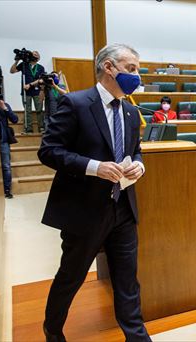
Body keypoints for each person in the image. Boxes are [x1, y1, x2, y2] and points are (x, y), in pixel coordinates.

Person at [37, 43, 150, 342]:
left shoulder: (129, 110)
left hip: (123, 208)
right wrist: (94, 167)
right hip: (84, 210)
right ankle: (53, 330)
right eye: (131, 68)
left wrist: (138, 165)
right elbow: (48, 151)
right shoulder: (75, 103)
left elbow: (134, 151)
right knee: (70, 278)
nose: (137, 76)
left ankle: (137, 337)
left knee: (127, 281)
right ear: (109, 67)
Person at [10, 50, 45, 134]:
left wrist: (30, 85)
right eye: (33, 54)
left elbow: (41, 79)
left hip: (37, 91)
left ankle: (41, 127)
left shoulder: (41, 67)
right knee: (27, 110)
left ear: (39, 58)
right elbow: (12, 71)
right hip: (26, 92)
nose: (35, 55)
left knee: (39, 109)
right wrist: (17, 60)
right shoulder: (24, 65)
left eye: (37, 54)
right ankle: (28, 129)